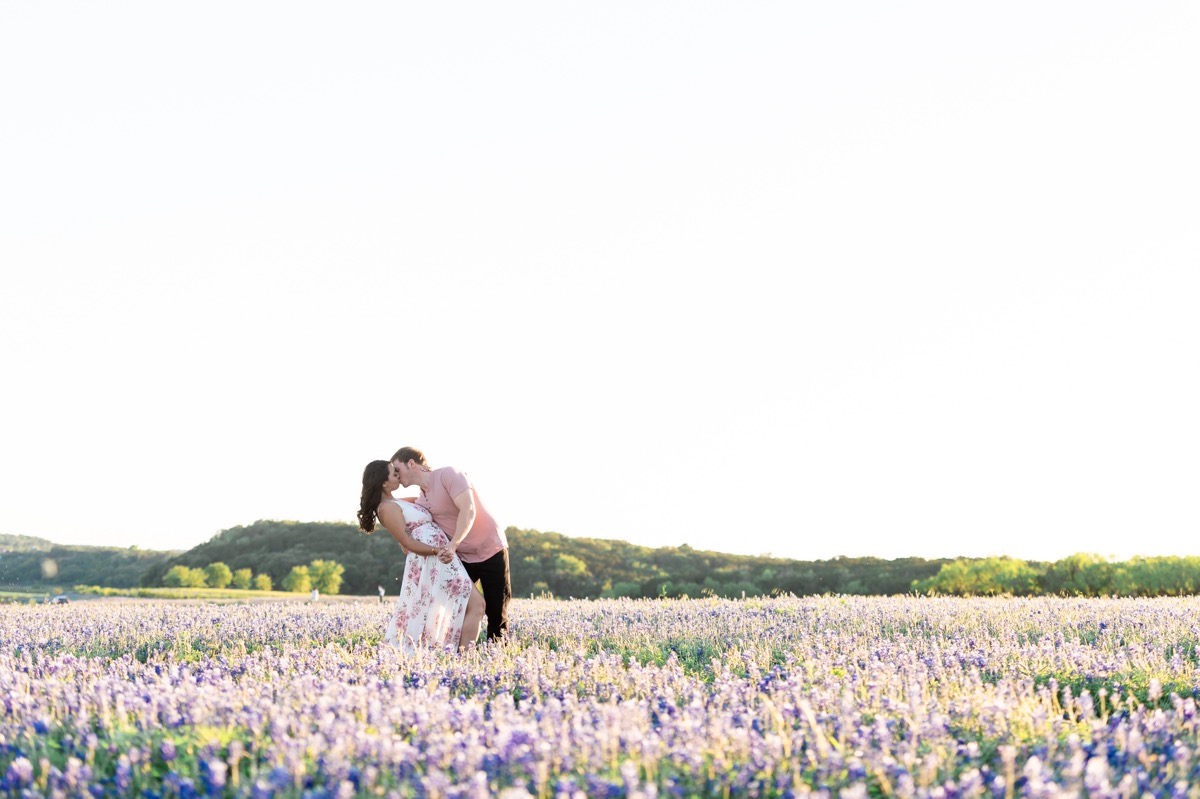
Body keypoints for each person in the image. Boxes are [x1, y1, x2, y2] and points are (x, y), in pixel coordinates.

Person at [358, 460, 485, 653]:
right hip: (433, 559)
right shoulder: (386, 508)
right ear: (383, 482)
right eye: (394, 474)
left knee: (463, 606)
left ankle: (456, 657)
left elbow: (428, 501)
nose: (398, 476)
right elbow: (407, 542)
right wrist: (437, 551)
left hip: (442, 557)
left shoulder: (397, 502)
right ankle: (464, 659)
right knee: (475, 604)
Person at [392, 446, 510, 642]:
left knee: (496, 612)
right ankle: (457, 655)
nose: (396, 475)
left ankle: (497, 657)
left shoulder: (448, 474)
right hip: (460, 556)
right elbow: (397, 509)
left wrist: (453, 544)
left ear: (411, 463)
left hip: (490, 549)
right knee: (456, 606)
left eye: (397, 469)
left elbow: (468, 509)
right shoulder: (421, 499)